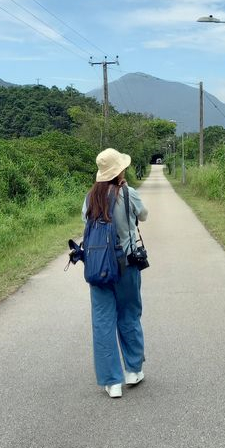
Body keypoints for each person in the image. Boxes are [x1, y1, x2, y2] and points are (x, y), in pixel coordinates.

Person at [82, 147, 149, 398]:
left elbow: (86, 222)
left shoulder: (91, 198)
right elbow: (144, 215)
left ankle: (112, 382)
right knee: (129, 314)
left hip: (99, 267)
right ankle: (133, 370)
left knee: (102, 321)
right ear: (118, 171)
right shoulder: (128, 193)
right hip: (126, 266)